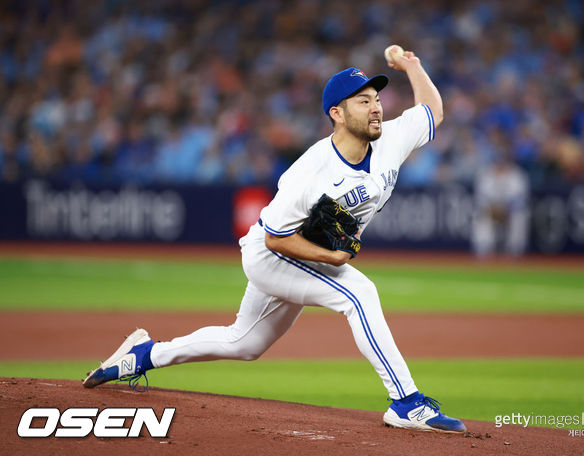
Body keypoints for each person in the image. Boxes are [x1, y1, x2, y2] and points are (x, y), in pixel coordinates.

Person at [83, 47, 467, 434]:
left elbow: (433, 111)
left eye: (377, 99)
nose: (376, 108)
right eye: (363, 100)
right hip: (272, 255)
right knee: (359, 294)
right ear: (337, 113)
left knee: (243, 344)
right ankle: (405, 402)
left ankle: (145, 354)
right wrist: (330, 257)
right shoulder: (311, 172)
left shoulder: (391, 140)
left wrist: (413, 66)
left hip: (304, 255)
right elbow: (274, 238)